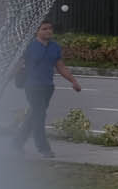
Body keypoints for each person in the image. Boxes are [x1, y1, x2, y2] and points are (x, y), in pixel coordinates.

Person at [9, 19, 80, 157]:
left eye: (50, 28)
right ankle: (43, 148)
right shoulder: (29, 46)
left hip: (48, 87)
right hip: (32, 86)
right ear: (37, 31)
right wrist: (6, 78)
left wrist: (73, 81)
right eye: (44, 29)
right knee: (39, 116)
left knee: (33, 115)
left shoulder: (55, 47)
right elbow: (17, 64)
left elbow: (60, 66)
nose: (48, 31)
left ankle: (17, 143)